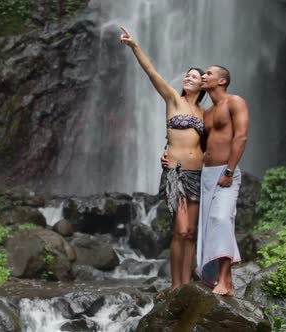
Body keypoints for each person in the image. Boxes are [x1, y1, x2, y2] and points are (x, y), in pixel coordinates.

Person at [119, 27, 206, 290]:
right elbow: (152, 72)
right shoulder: (173, 100)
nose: (189, 78)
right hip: (176, 173)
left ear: (203, 85)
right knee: (180, 230)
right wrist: (135, 46)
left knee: (191, 233)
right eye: (187, 75)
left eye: (195, 77)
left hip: (198, 174)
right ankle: (176, 285)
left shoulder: (205, 112)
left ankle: (187, 283)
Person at [163, 65, 250, 296]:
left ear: (221, 81)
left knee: (221, 219)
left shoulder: (235, 101)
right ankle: (211, 279)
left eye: (208, 74)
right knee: (208, 227)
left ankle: (226, 281)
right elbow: (193, 143)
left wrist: (230, 171)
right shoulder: (206, 113)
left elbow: (241, 136)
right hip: (205, 174)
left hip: (225, 172)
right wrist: (169, 153)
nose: (203, 76)